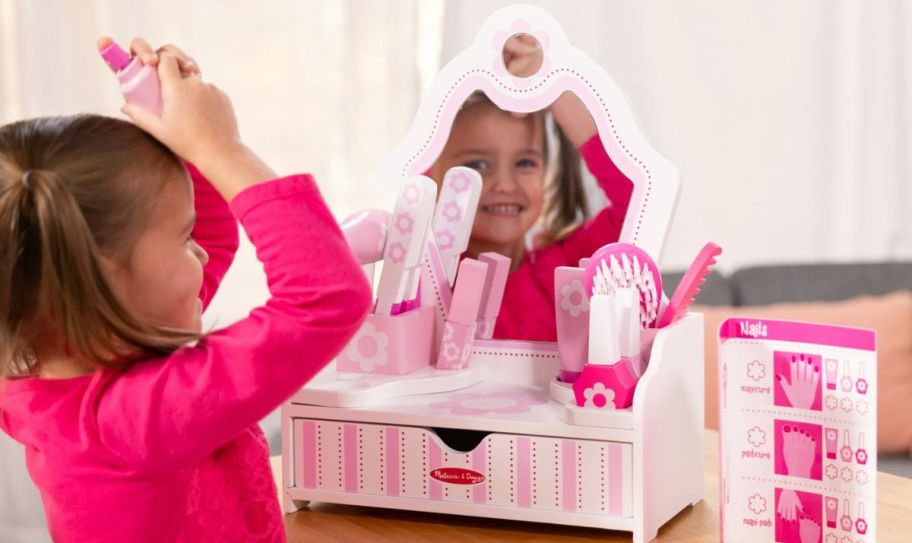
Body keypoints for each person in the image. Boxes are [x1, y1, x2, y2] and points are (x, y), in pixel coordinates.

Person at [0, 38, 372, 542]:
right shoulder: (138, 418)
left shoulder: (48, 379)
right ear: (102, 280)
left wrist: (183, 147)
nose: (200, 254)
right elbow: (325, 297)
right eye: (182, 239)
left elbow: (212, 235)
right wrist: (219, 147)